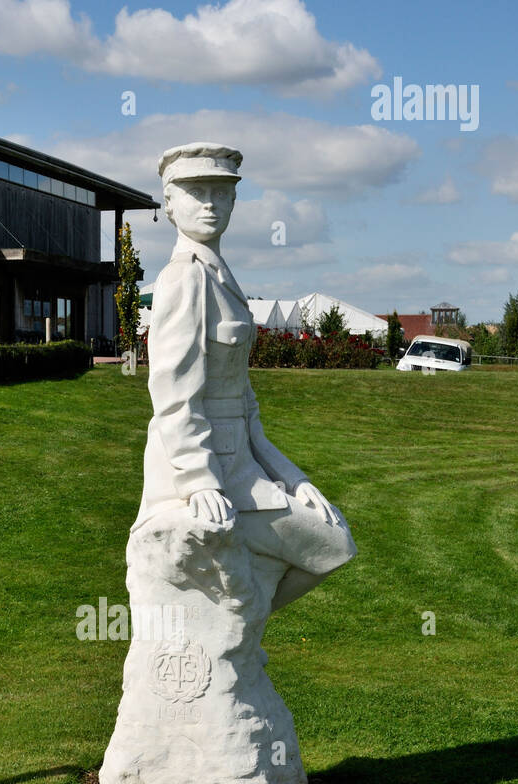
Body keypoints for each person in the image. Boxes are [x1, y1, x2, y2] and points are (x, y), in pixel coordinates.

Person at [136, 142, 356, 611]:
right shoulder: (185, 278)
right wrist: (199, 482)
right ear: (170, 204)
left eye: (221, 192)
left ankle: (236, 627)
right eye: (196, 192)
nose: (211, 204)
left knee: (333, 540)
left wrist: (292, 477)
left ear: (235, 201)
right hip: (205, 469)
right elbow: (173, 396)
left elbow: (245, 402)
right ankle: (235, 626)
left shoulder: (219, 275)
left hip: (243, 464)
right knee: (333, 545)